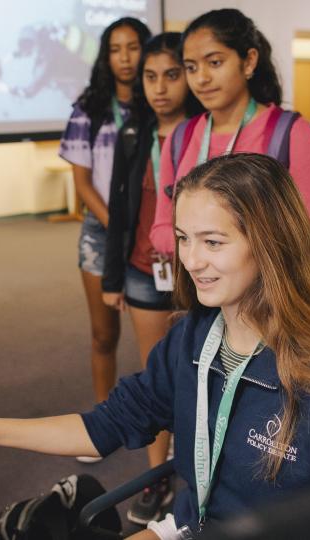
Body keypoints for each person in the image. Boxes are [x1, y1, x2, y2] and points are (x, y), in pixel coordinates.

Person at [0, 154, 310, 539]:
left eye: (213, 242)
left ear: (270, 244)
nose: (191, 260)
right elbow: (103, 427)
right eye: (182, 238)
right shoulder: (192, 339)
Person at [101, 31, 202, 525]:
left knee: (202, 373)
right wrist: (112, 275)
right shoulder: (134, 133)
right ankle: (157, 475)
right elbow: (120, 208)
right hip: (143, 270)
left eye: (172, 75)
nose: (160, 87)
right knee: (155, 379)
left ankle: (203, 480)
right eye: (150, 76)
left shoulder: (205, 134)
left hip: (198, 276)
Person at [149, 9, 310, 270]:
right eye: (191, 67)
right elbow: (160, 229)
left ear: (249, 61)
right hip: (201, 297)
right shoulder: (180, 137)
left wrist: (232, 255)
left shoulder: (290, 134)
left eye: (214, 63)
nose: (201, 78)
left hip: (269, 303)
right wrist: (211, 249)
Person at [58, 17, 151, 451]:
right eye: (116, 49)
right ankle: (102, 424)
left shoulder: (158, 104)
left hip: (154, 233)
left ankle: (164, 425)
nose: (126, 58)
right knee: (103, 335)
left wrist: (139, 229)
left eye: (133, 47)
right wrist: (120, 229)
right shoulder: (89, 109)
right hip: (103, 231)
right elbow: (81, 185)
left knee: (160, 341)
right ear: (106, 56)